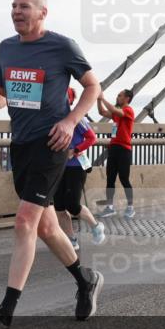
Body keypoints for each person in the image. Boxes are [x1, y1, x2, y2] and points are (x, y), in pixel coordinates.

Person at [0, 0, 104, 329]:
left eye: (24, 6)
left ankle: (4, 316)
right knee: (46, 228)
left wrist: (71, 121)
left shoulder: (62, 46)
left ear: (42, 12)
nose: (16, 11)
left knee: (24, 222)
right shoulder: (7, 48)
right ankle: (85, 280)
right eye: (13, 6)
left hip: (52, 143)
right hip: (22, 146)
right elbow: (3, 90)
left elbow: (93, 86)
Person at [54, 88, 107, 249]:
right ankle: (71, 239)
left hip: (76, 166)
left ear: (69, 101)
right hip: (58, 166)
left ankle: (96, 226)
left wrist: (75, 150)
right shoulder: (51, 118)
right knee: (59, 207)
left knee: (72, 205)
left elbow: (92, 137)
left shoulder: (76, 118)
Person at [96, 89, 136, 219]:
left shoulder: (128, 110)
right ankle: (110, 207)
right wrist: (98, 99)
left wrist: (102, 97)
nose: (117, 97)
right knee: (110, 179)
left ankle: (130, 207)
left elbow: (114, 110)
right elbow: (102, 112)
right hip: (113, 148)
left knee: (124, 178)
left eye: (120, 95)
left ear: (127, 98)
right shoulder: (116, 114)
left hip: (124, 149)